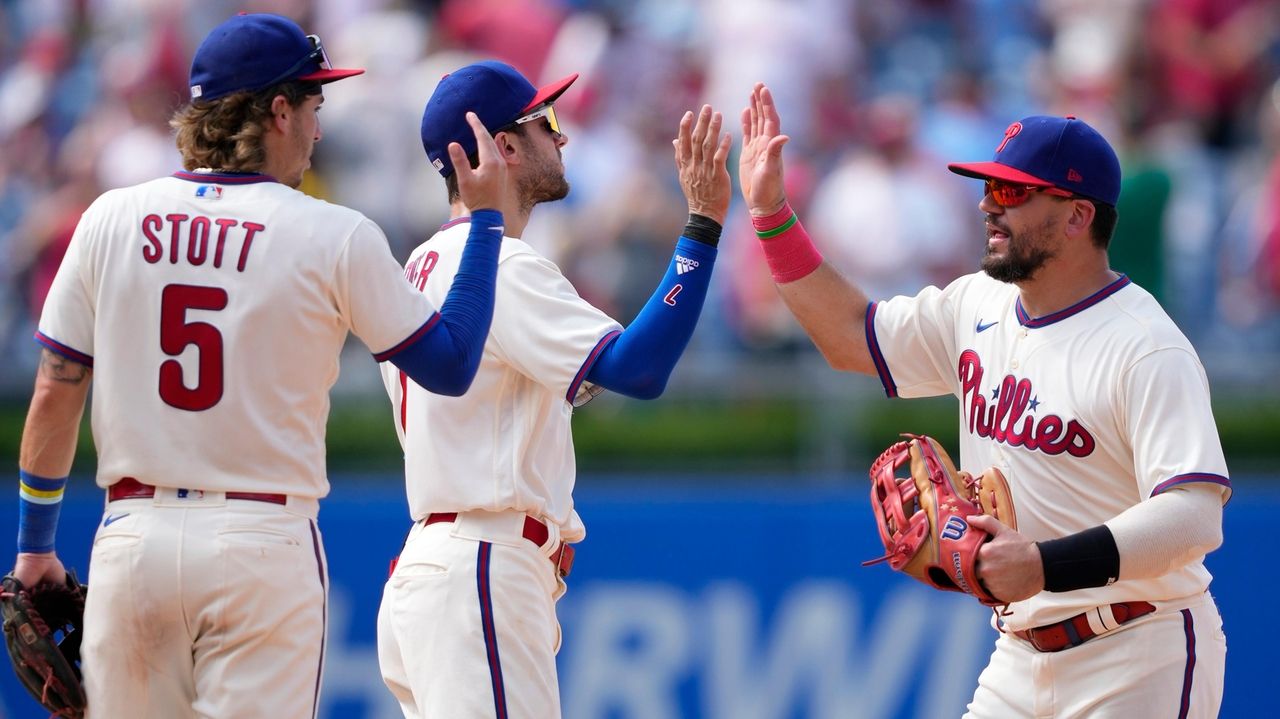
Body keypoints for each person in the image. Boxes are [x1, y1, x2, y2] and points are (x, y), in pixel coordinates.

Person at [12, 13, 508, 719]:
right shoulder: (332, 232)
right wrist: (485, 223)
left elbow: (56, 389)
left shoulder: (110, 218)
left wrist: (34, 547)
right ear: (277, 110)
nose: (318, 128)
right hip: (260, 542)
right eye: (313, 105)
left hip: (132, 538)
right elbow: (452, 364)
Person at [738, 83, 1229, 717]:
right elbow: (849, 339)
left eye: (1011, 192)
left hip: (1139, 649)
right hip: (1018, 653)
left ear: (1079, 215)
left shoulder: (1144, 345)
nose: (988, 208)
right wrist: (772, 215)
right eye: (988, 189)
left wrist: (1044, 564)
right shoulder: (977, 304)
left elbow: (1194, 517)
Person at [376, 60, 731, 717]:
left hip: (442, 563)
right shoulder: (502, 265)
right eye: (548, 122)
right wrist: (703, 226)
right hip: (481, 561)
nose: (561, 138)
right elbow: (638, 368)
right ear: (502, 147)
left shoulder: (420, 262)